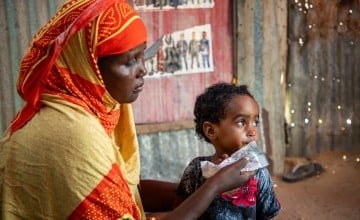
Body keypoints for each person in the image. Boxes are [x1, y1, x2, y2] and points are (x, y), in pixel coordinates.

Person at [0, 1, 254, 219]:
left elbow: (121, 191)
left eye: (142, 56)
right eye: (130, 61)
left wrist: (192, 190)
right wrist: (214, 187)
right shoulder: (73, 136)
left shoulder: (96, 109)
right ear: (91, 67)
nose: (143, 69)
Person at [176, 82, 281, 219]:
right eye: (241, 122)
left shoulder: (257, 171)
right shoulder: (197, 168)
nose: (252, 131)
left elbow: (267, 214)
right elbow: (182, 208)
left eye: (255, 122)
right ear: (211, 130)